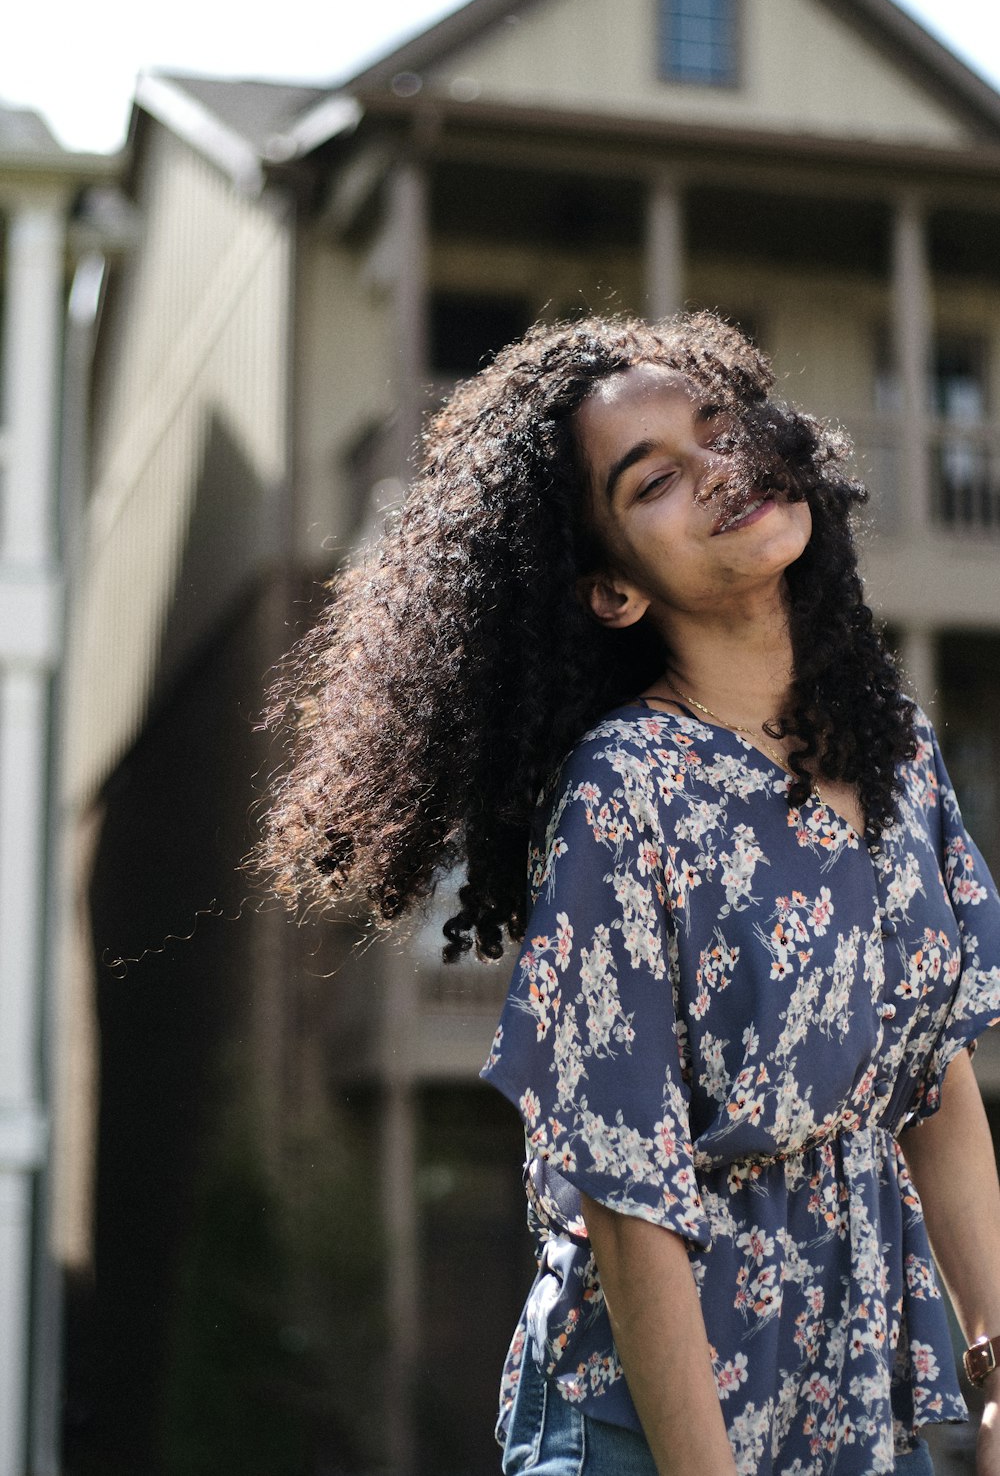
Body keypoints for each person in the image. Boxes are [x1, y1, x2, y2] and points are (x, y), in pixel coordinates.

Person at [258, 312, 1000, 1475]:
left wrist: (995, 1369)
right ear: (611, 591)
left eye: (721, 428)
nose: (718, 469)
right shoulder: (624, 794)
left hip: (855, 1416)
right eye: (655, 478)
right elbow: (626, 1202)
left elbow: (936, 1080)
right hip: (647, 1430)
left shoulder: (894, 744)